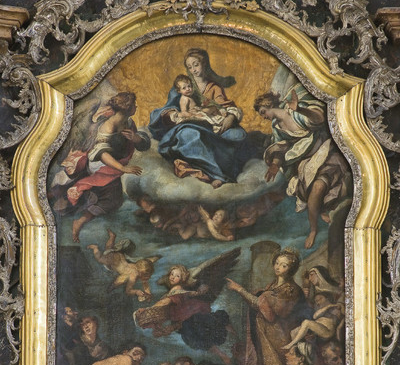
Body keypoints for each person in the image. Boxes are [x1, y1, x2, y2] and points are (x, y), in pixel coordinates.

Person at [254, 88, 351, 249]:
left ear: (269, 104)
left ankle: (314, 227)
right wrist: (275, 164)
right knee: (309, 190)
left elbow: (319, 119)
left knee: (319, 187)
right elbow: (281, 148)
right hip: (306, 162)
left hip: (325, 153)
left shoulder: (293, 112)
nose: (263, 116)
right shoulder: (277, 127)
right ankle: (315, 224)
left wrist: (299, 109)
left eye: (263, 112)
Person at [49, 92, 150, 242]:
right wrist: (122, 169)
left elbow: (143, 144)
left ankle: (55, 196)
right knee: (112, 199)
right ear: (127, 108)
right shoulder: (108, 126)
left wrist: (136, 138)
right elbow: (101, 153)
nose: (136, 107)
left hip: (114, 164)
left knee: (89, 188)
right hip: (102, 165)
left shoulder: (128, 122)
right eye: (134, 105)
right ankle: (79, 221)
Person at [149, 48, 249, 188]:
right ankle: (217, 175)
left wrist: (231, 117)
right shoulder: (183, 85)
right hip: (191, 124)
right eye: (190, 67)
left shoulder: (214, 87)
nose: (193, 70)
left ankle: (211, 170)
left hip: (211, 124)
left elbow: (225, 106)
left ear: (204, 64)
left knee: (237, 135)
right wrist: (177, 115)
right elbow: (169, 108)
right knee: (189, 135)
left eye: (196, 65)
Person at [226, 247, 305, 365]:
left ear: (291, 269)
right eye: (277, 263)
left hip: (278, 335)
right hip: (265, 333)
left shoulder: (291, 290)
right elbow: (262, 302)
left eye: (284, 265)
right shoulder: (273, 285)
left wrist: (239, 289)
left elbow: (266, 309)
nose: (278, 267)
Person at [87, 228, 161, 301]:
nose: (148, 278)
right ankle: (95, 248)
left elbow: (148, 264)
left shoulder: (138, 264)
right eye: (147, 276)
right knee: (100, 258)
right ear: (141, 273)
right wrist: (136, 291)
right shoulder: (133, 275)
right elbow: (127, 290)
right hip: (112, 261)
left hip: (119, 255)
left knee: (109, 248)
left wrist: (148, 293)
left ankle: (112, 237)